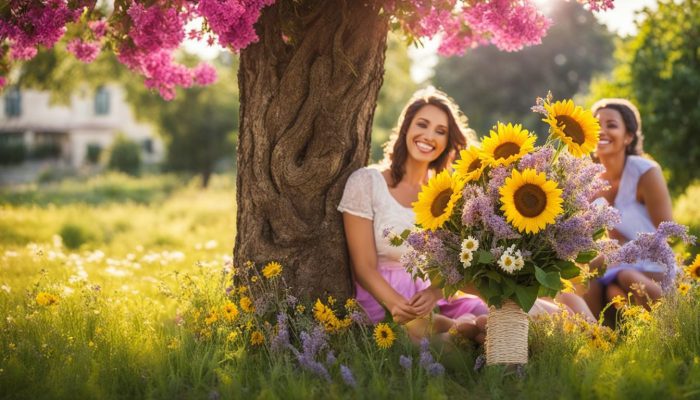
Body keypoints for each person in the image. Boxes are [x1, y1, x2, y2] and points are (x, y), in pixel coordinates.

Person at [338, 87, 488, 341]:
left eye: (440, 132)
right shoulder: (366, 182)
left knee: (489, 320)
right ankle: (458, 333)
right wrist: (396, 304)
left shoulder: (445, 194)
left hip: (428, 296)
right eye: (422, 124)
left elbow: (454, 261)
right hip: (383, 297)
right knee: (449, 339)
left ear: (447, 142)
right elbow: (363, 267)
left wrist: (435, 293)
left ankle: (470, 333)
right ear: (406, 127)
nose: (429, 136)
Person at [583, 98, 674, 318]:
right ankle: (593, 341)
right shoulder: (587, 179)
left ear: (628, 137)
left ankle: (676, 314)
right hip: (608, 266)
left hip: (652, 264)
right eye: (596, 126)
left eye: (611, 125)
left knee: (624, 278)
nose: (601, 131)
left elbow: (667, 232)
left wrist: (621, 251)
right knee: (592, 278)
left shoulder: (645, 172)